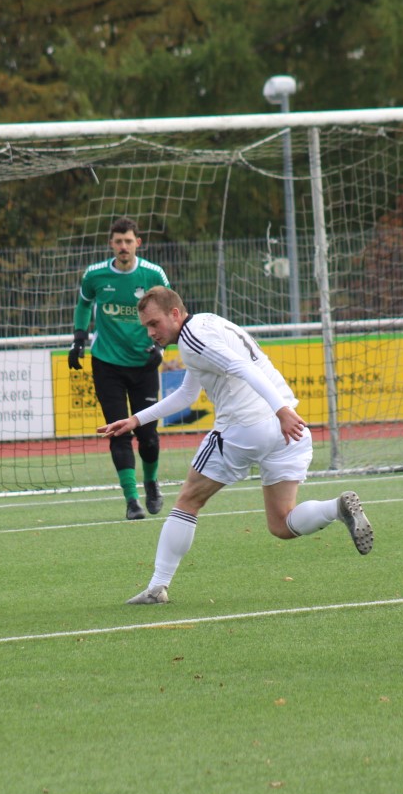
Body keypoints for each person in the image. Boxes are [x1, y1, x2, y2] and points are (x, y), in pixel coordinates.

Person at [97, 287, 374, 605]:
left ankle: (157, 587)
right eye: (146, 326)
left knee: (187, 500)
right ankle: (336, 508)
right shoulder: (207, 324)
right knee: (281, 524)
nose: (150, 333)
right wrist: (136, 419)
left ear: (174, 314)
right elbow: (188, 394)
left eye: (154, 323)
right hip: (288, 431)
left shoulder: (192, 339)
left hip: (248, 427)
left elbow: (244, 368)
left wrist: (280, 410)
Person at [71, 217, 172, 520]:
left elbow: (170, 312)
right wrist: (79, 338)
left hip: (143, 364)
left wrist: (161, 348)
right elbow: (84, 304)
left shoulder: (153, 274)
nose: (123, 246)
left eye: (128, 241)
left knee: (148, 436)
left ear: (137, 243)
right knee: (118, 431)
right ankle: (131, 500)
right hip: (107, 364)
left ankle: (151, 483)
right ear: (111, 244)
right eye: (118, 241)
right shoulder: (95, 275)